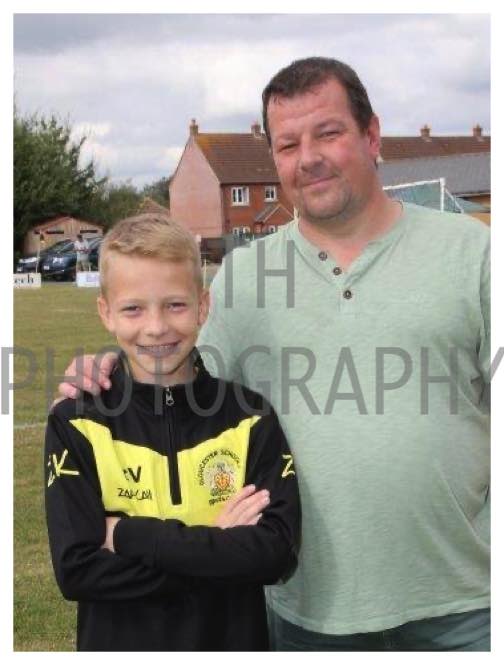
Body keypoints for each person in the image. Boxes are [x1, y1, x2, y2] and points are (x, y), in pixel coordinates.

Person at [58, 57, 490, 651]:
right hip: (308, 614)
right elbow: (180, 381)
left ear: (371, 135)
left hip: (465, 606)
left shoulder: (473, 253)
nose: (307, 158)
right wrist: (108, 371)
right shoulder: (244, 277)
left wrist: (130, 537)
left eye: (328, 133)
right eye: (288, 144)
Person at [45, 213, 300, 651]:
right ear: (106, 312)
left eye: (175, 305)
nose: (157, 327)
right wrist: (220, 547)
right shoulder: (77, 422)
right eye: (133, 308)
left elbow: (275, 556)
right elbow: (78, 571)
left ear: (203, 306)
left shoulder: (249, 417)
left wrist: (127, 536)